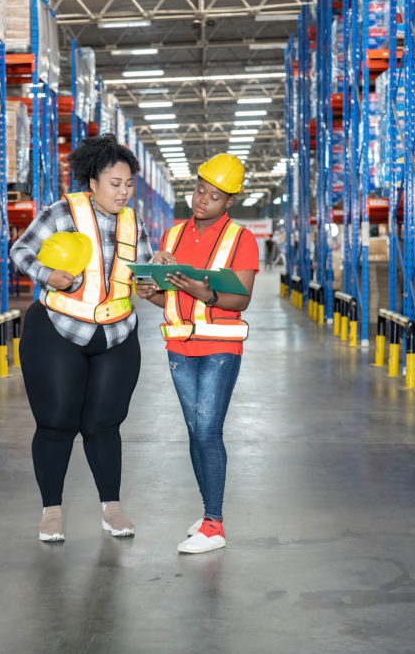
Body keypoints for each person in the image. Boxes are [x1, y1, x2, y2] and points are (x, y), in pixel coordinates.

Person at [10, 133, 171, 543]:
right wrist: (49, 276)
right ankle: (51, 510)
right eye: (115, 183)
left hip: (117, 334)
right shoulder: (63, 212)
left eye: (129, 184)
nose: (124, 192)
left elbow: (140, 277)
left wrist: (157, 275)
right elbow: (21, 251)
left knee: (105, 423)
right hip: (60, 329)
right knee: (57, 421)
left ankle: (111, 508)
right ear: (92, 182)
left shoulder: (134, 222)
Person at [136, 153, 258, 554]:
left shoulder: (241, 239)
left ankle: (214, 525)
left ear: (230, 202)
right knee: (195, 431)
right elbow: (168, 302)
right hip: (179, 346)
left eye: (215, 196)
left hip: (220, 348)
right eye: (200, 190)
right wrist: (151, 292)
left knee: (207, 431)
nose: (203, 200)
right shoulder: (171, 237)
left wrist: (201, 291)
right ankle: (209, 511)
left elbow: (240, 300)